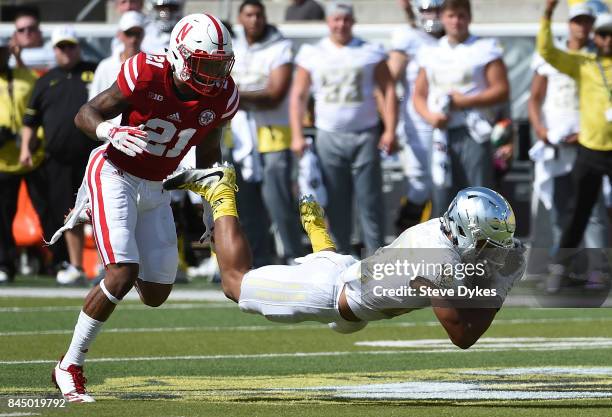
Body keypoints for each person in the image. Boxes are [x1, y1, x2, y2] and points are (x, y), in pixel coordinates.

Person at [49, 13, 239, 402]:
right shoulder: (145, 71)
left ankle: (120, 238)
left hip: (156, 186)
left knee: (155, 294)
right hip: (114, 172)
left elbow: (209, 148)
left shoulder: (223, 95)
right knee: (122, 273)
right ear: (180, 55)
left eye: (220, 65)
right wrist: (110, 130)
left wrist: (209, 205)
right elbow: (86, 113)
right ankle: (69, 365)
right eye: (206, 65)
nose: (214, 75)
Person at [163, 164, 525, 348]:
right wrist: (500, 287)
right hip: (326, 293)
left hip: (351, 275)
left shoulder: (442, 233)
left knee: (350, 320)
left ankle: (320, 238)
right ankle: (220, 188)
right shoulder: (437, 257)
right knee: (234, 283)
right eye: (486, 244)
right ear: (463, 232)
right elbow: (462, 334)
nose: (492, 253)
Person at [290, 1, 398, 256]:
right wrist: (296, 134)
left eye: (345, 19)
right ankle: (339, 257)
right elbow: (299, 95)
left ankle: (376, 257)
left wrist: (390, 129)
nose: (341, 24)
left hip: (365, 132)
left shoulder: (369, 50)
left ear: (353, 21)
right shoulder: (313, 53)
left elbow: (389, 89)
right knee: (335, 202)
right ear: (328, 22)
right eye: (336, 19)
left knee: (370, 200)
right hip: (329, 134)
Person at [413, 0, 510, 217]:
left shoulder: (484, 48)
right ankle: (446, 249)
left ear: (469, 18)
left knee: (477, 198)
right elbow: (418, 95)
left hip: (473, 131)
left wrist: (464, 102)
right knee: (442, 197)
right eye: (451, 16)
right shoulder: (431, 52)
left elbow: (501, 90)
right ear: (442, 18)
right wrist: (430, 116)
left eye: (461, 15)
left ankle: (481, 249)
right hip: (441, 133)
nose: (456, 21)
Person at [528, 3, 608, 260]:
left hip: (589, 144)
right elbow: (535, 98)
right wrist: (540, 129)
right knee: (561, 210)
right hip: (556, 145)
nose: (582, 27)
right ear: (569, 24)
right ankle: (565, 269)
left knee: (593, 211)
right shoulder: (558, 56)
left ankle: (597, 272)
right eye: (578, 21)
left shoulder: (598, 59)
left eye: (587, 22)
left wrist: (584, 134)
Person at [19, 27, 97, 285]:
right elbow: (30, 120)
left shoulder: (93, 71)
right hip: (59, 160)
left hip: (94, 157)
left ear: (78, 47)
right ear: (54, 50)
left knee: (102, 212)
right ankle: (75, 265)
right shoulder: (45, 81)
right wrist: (25, 149)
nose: (66, 51)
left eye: (70, 46)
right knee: (69, 213)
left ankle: (102, 265)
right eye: (61, 47)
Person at [232, 0, 304, 265]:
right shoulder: (233, 47)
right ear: (241, 18)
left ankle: (295, 258)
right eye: (249, 15)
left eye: (259, 14)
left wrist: (235, 95)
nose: (255, 20)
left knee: (280, 205)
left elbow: (275, 94)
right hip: (239, 137)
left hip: (273, 136)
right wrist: (250, 93)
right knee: (246, 207)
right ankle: (259, 260)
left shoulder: (280, 46)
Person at [388, 0, 444, 230]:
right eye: (425, 9)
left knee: (444, 187)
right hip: (416, 124)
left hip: (448, 124)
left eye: (436, 9)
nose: (431, 15)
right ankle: (404, 237)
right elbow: (388, 83)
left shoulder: (454, 38)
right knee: (420, 187)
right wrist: (388, 126)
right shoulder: (407, 37)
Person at [0, 36, 45, 283]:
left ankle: (59, 260)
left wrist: (38, 136)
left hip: (32, 156)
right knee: (3, 216)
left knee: (47, 210)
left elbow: (39, 104)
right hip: (3, 160)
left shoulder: (24, 76)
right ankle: (5, 264)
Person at [90, 11, 146, 124]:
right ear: (120, 35)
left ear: (143, 35)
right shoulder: (105, 67)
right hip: (111, 135)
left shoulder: (151, 66)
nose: (133, 39)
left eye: (137, 33)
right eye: (129, 33)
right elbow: (92, 105)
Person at [8, 8, 55, 72]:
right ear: (15, 35)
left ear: (40, 32)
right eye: (21, 30)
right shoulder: (7, 56)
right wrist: (17, 57)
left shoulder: (56, 50)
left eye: (31, 29)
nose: (26, 33)